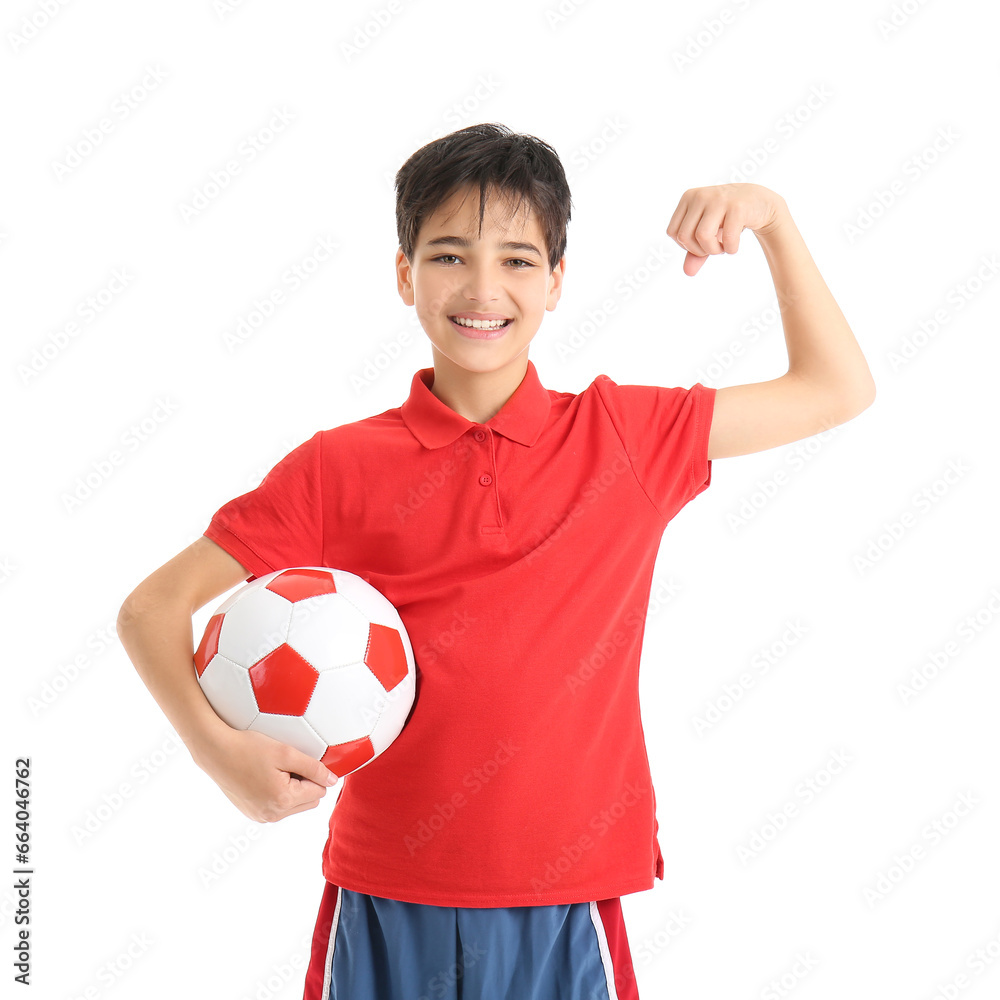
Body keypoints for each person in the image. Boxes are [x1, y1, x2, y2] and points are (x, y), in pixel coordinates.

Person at [116, 122, 876, 1000]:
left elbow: (836, 389)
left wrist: (775, 222)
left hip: (564, 899)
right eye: (447, 256)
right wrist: (220, 757)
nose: (483, 287)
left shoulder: (626, 436)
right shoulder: (339, 466)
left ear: (557, 281)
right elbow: (152, 608)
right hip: (386, 891)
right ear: (404, 276)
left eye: (517, 260)